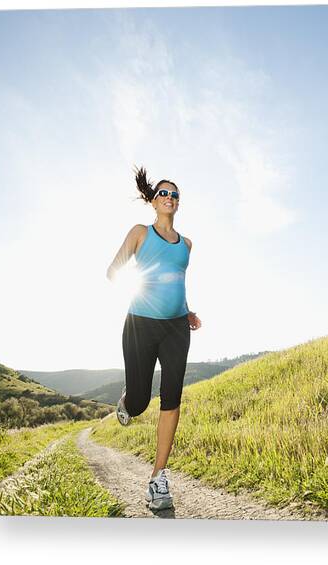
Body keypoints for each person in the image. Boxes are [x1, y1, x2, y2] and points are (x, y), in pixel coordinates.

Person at [106, 165, 201, 511]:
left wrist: (187, 310)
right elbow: (114, 270)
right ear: (153, 200)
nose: (170, 198)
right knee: (141, 402)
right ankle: (127, 402)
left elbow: (176, 281)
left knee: (172, 396)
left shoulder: (187, 245)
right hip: (140, 323)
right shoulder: (139, 233)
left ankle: (158, 479)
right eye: (164, 193)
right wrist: (132, 286)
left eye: (175, 195)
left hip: (176, 327)